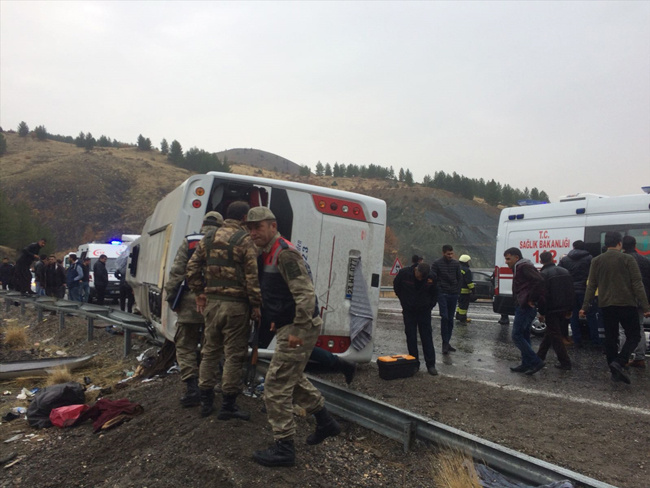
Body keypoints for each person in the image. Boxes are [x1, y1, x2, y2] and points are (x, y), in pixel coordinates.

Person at [246, 206, 340, 468]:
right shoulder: (267, 253)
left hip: (300, 326)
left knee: (275, 385)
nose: (254, 232)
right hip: (289, 324)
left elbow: (305, 295)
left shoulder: (284, 254)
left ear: (273, 226)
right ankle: (326, 422)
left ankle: (284, 448)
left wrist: (298, 329)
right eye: (250, 228)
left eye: (259, 227)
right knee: (291, 378)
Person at [186, 201, 261, 420]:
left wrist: (199, 292)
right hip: (236, 305)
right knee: (233, 355)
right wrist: (256, 304)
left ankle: (206, 401)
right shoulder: (244, 240)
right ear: (244, 218)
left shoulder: (207, 239)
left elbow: (191, 268)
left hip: (212, 304)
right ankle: (228, 405)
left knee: (209, 352)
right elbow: (252, 276)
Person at [164, 211, 223, 408]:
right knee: (211, 347)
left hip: (189, 302)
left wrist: (172, 298)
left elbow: (177, 272)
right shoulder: (226, 242)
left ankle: (192, 388)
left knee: (185, 345)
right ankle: (209, 386)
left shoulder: (190, 241)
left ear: (203, 224)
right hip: (215, 304)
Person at [580, 232, 650, 384]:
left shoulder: (597, 260)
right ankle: (620, 361)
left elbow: (591, 285)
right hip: (627, 304)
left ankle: (614, 371)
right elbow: (638, 284)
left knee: (611, 338)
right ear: (619, 243)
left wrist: (585, 306)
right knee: (634, 335)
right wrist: (646, 306)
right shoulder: (628, 259)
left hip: (606, 305)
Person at [504, 247, 546, 375]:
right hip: (523, 305)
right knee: (524, 334)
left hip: (525, 306)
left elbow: (539, 280)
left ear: (516, 257)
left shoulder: (523, 266)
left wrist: (531, 298)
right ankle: (526, 363)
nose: (506, 262)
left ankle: (536, 361)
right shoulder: (520, 266)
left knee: (516, 335)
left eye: (508, 259)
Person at [393, 262, 438, 375]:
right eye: (420, 276)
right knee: (411, 337)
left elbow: (435, 293)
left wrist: (430, 305)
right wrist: (404, 301)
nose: (420, 279)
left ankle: (431, 365)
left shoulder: (431, 277)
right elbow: (397, 287)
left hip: (424, 311)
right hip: (409, 311)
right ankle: (413, 364)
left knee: (427, 337)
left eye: (423, 277)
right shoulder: (404, 274)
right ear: (416, 270)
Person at [536, 251, 574, 370]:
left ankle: (565, 362)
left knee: (555, 336)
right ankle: (539, 358)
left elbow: (542, 296)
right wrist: (570, 308)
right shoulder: (565, 271)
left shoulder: (543, 274)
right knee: (551, 333)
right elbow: (571, 291)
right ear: (553, 258)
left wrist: (541, 312)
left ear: (541, 261)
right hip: (563, 308)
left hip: (551, 309)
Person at [558, 240, 599, 346]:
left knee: (573, 315)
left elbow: (559, 272)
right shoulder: (590, 258)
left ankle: (577, 339)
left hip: (571, 291)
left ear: (573, 247)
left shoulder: (565, 259)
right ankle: (595, 340)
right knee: (590, 315)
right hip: (585, 291)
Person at [622, 235, 650, 368]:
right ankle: (640, 358)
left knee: (622, 328)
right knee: (639, 327)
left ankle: (624, 357)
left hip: (626, 298)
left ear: (622, 245)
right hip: (642, 297)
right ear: (635, 245)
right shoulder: (645, 260)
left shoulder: (622, 260)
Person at [431, 244, 461, 354]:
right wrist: (438, 289)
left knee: (450, 319)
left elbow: (459, 278)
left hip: (453, 293)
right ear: (443, 253)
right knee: (445, 317)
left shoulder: (456, 264)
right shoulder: (437, 264)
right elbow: (433, 278)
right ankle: (444, 343)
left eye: (451, 254)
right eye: (448, 254)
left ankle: (447, 342)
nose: (450, 256)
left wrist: (457, 291)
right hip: (442, 293)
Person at [455, 254, 475, 324]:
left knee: (460, 305)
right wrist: (473, 290)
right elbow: (469, 282)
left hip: (458, 290)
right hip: (465, 292)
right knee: (464, 306)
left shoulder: (457, 268)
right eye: (468, 261)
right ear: (466, 261)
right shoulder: (467, 270)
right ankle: (463, 319)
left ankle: (458, 316)